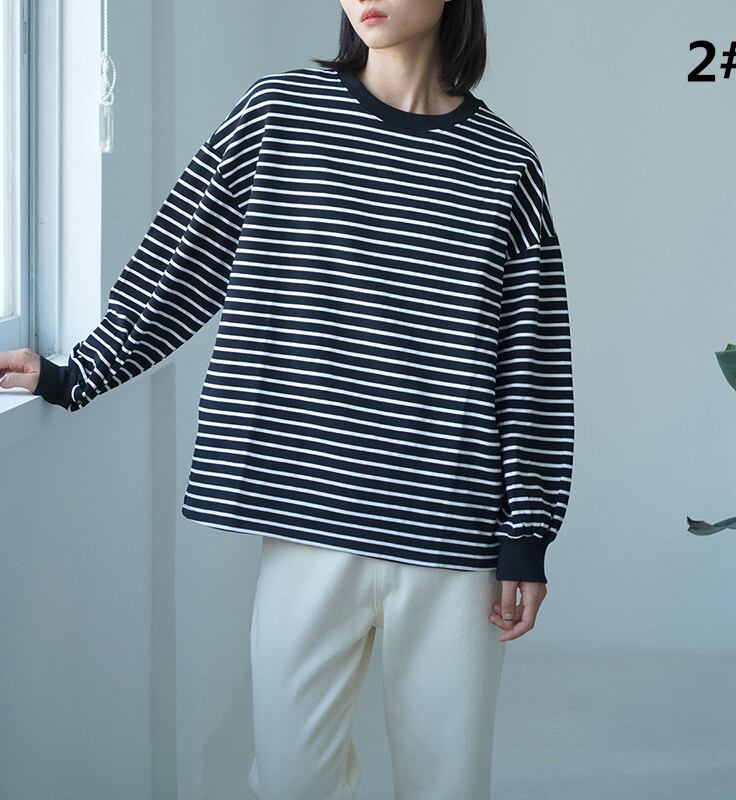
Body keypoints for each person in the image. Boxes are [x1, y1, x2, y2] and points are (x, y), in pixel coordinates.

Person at [0, 0, 575, 797]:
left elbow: (531, 359)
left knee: (447, 783)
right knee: (291, 779)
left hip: (452, 528)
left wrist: (527, 534)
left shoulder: (504, 164)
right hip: (308, 513)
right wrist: (77, 374)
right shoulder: (281, 112)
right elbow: (182, 259)